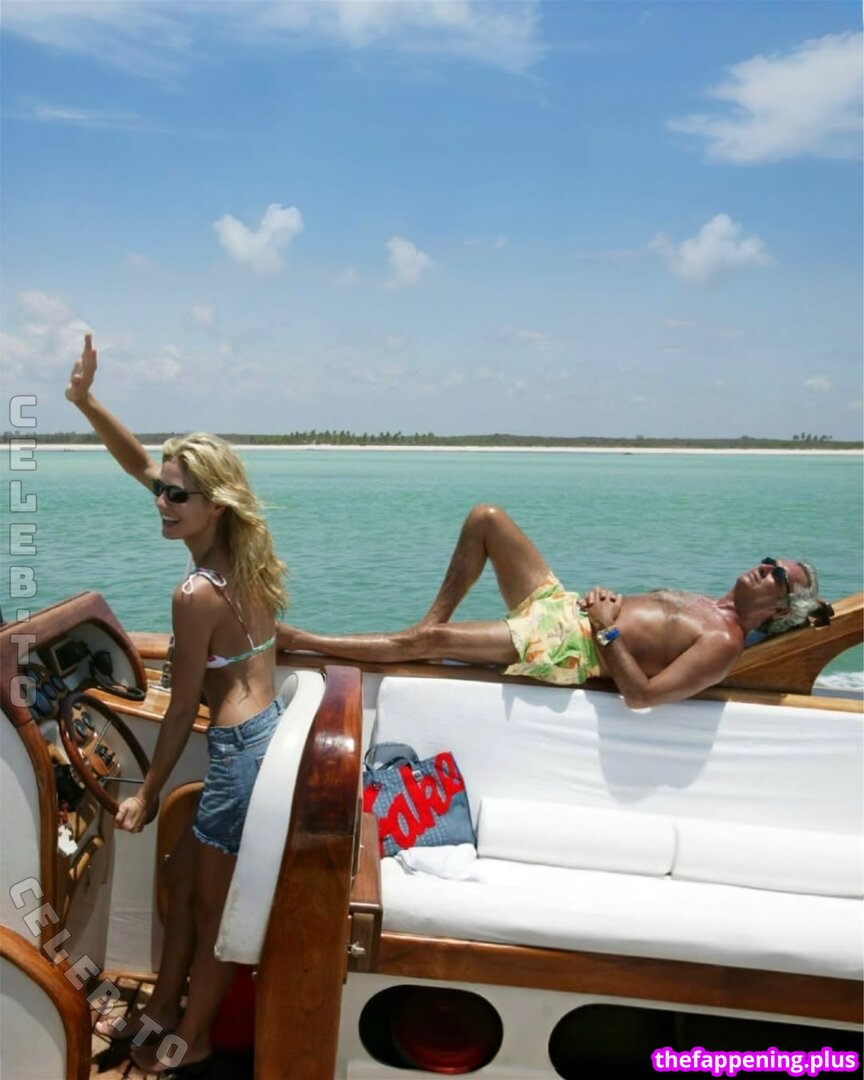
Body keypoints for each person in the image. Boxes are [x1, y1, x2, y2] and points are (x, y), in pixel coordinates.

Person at [66, 334, 287, 1076]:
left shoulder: (194, 594)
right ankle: (163, 1008)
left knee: (215, 911)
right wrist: (86, 403)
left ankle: (192, 1039)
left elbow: (182, 703)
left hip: (239, 756)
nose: (159, 503)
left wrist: (149, 794)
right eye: (160, 491)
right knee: (183, 884)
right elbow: (138, 462)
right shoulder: (243, 557)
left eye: (174, 496)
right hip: (260, 737)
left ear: (213, 505)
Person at [276, 504, 823, 709]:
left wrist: (607, 629)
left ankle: (297, 640)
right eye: (768, 561)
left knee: (431, 645)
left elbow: (643, 696)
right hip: (564, 608)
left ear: (780, 609)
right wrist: (605, 604)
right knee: (486, 519)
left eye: (777, 575)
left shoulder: (724, 642)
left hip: (569, 645)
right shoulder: (707, 603)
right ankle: (428, 622)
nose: (765, 567)